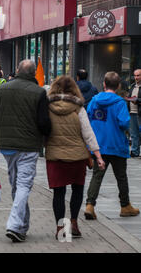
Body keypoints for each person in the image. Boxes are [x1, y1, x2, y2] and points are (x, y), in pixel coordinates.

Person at [0, 60, 51, 243]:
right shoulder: (39, 92)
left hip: (7, 147)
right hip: (28, 147)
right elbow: (44, 123)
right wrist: (47, 137)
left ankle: (22, 227)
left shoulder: (3, 90)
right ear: (33, 74)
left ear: (17, 71)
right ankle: (14, 225)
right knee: (23, 185)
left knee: (17, 185)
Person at [45, 76, 105, 239]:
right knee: (77, 189)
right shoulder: (78, 108)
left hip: (55, 156)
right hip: (77, 156)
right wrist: (98, 155)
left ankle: (60, 228)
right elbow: (88, 133)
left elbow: (42, 128)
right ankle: (74, 223)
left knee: (59, 192)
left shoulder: (47, 107)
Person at [85, 72, 140, 220]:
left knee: (97, 176)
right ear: (118, 86)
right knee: (121, 176)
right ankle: (125, 205)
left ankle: (90, 205)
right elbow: (124, 123)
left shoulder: (94, 100)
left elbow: (87, 118)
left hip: (99, 146)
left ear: (104, 84)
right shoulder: (120, 102)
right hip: (116, 145)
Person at [127, 69, 141, 157]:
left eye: (138, 75)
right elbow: (129, 97)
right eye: (135, 75)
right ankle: (135, 152)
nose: (136, 77)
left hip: (140, 113)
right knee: (134, 134)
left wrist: (138, 101)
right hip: (132, 112)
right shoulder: (132, 86)